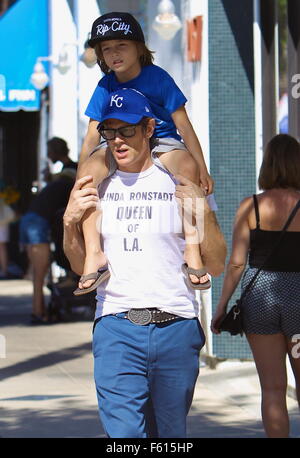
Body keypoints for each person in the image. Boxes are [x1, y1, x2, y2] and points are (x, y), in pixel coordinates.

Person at [63, 89, 226, 438]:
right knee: (125, 437)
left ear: (150, 128)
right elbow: (79, 267)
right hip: (117, 327)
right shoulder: (97, 186)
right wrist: (68, 222)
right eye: (110, 132)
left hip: (176, 326)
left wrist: (203, 211)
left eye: (128, 131)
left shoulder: (177, 177)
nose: (118, 141)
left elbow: (217, 264)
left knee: (169, 436)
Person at [74, 11, 215, 295]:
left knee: (185, 166)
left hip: (161, 140)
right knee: (89, 175)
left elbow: (184, 126)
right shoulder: (105, 85)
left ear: (139, 47)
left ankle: (191, 248)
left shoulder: (159, 78)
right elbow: (92, 135)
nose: (114, 54)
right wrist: (78, 181)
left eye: (121, 46)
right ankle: (94, 253)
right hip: (119, 141)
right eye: (106, 49)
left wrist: (202, 166)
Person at [211, 134, 300, 438]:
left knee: (273, 388)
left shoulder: (250, 206)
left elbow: (236, 263)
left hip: (260, 297)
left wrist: (221, 306)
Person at [20, 168, 76, 324]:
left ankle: (39, 310)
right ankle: (38, 311)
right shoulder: (68, 187)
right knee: (39, 274)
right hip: (37, 224)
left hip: (29, 221)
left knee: (37, 273)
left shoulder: (53, 187)